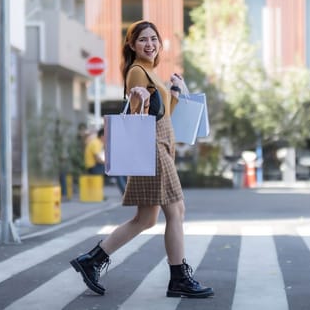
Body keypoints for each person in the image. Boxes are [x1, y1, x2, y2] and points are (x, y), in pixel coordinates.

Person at [70, 20, 213, 298]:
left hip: (160, 146)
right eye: (143, 40)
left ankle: (92, 260)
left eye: (154, 39)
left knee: (146, 219)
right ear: (132, 45)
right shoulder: (137, 72)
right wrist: (138, 99)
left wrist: (174, 92)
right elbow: (138, 118)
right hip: (153, 148)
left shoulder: (150, 71)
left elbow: (163, 114)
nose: (150, 44)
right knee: (176, 211)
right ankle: (179, 278)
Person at [83, 128, 127, 195]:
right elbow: (99, 160)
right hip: (94, 167)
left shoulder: (98, 142)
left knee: (120, 170)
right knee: (118, 172)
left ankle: (126, 191)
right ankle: (125, 192)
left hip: (97, 166)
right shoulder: (96, 143)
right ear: (102, 136)